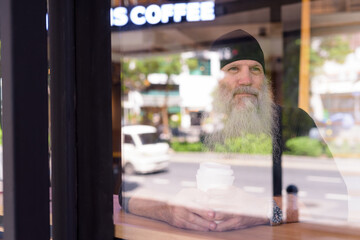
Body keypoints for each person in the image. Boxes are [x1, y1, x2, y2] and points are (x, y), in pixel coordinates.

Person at [119, 29, 348, 232]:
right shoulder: (200, 129)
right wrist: (166, 210)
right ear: (218, 81)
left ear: (264, 79)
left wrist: (262, 209)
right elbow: (126, 194)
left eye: (255, 69)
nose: (246, 79)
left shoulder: (294, 121)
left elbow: (337, 204)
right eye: (234, 69)